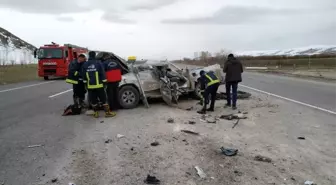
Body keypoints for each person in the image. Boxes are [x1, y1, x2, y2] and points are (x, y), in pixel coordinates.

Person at [82, 51, 116, 118]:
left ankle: (96, 113)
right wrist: (105, 82)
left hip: (90, 86)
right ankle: (107, 113)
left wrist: (85, 84)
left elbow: (84, 76)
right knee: (103, 99)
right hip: (99, 86)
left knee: (93, 100)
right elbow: (102, 74)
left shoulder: (85, 64)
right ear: (94, 56)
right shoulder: (98, 63)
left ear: (89, 56)